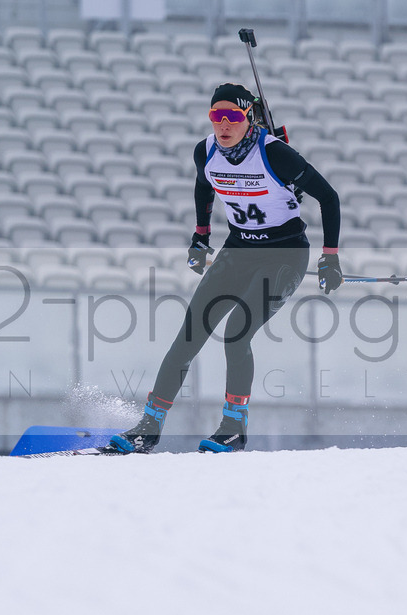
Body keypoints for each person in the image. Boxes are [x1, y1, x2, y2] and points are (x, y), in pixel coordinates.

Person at [103, 82, 343, 454]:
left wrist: (330, 256)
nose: (223, 125)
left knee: (236, 333)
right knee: (190, 334)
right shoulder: (206, 151)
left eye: (232, 116)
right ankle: (147, 429)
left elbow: (328, 197)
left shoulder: (277, 154)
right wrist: (201, 236)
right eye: (216, 116)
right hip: (238, 250)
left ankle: (234, 427)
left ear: (248, 117)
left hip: (285, 255)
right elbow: (204, 186)